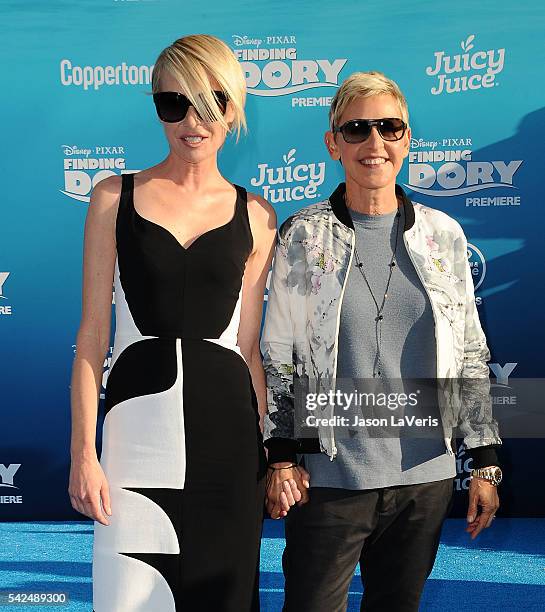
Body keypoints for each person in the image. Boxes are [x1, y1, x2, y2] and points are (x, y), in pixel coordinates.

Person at [262, 71, 503, 612]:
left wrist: (483, 461)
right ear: (333, 143)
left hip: (425, 477)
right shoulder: (305, 235)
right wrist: (282, 457)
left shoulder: (443, 235)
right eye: (357, 129)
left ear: (408, 138)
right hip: (330, 473)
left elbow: (469, 350)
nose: (375, 144)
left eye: (390, 128)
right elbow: (279, 355)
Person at [68, 34, 276, 611]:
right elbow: (91, 338)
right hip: (135, 442)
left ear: (233, 109)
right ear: (157, 106)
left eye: (210, 102)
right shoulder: (113, 197)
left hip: (230, 452)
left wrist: (275, 452)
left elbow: (250, 349)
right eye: (173, 103)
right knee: (128, 599)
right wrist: (85, 454)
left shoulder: (258, 215)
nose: (192, 120)